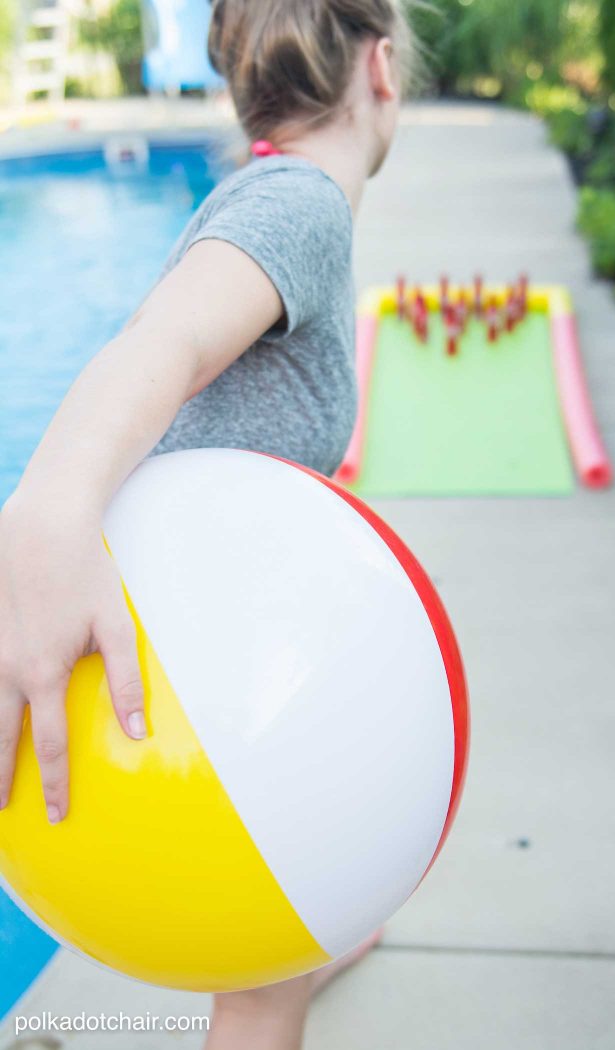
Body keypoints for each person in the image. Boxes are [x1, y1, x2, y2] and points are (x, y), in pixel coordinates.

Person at [0, 1, 413, 1047]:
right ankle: (284, 969)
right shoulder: (301, 203)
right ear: (383, 66)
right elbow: (165, 341)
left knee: (291, 922)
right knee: (259, 981)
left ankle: (312, 942)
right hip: (184, 691)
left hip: (205, 661)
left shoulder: (267, 194)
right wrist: (45, 514)